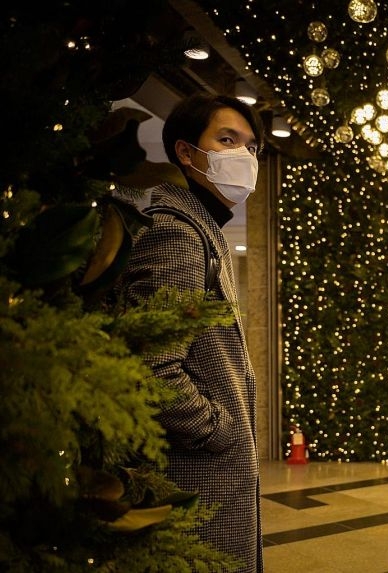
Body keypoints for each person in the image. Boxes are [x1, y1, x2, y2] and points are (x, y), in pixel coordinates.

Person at [117, 93, 263, 571]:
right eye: (227, 140)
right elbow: (151, 367)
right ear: (186, 152)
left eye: (251, 147)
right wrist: (221, 429)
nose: (243, 156)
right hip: (196, 478)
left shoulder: (203, 231)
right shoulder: (177, 233)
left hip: (209, 475)